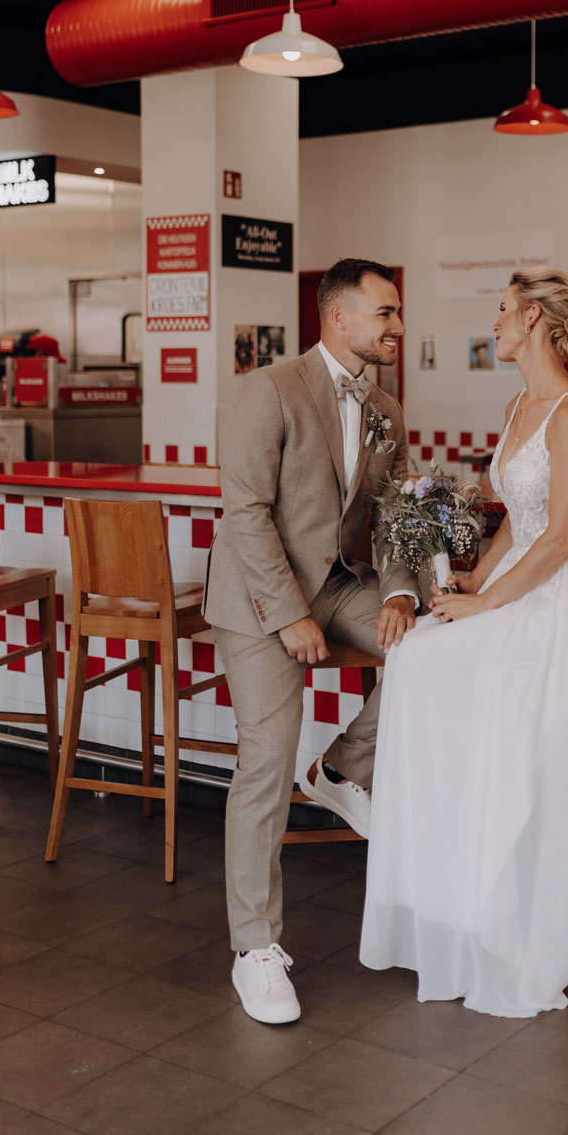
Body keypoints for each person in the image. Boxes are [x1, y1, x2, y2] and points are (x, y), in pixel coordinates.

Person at [360, 269, 568, 1018]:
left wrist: (489, 603)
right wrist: (472, 588)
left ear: (532, 318)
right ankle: (448, 892)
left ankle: (501, 914)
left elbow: (564, 537)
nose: (493, 325)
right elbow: (513, 527)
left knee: (489, 688)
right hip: (522, 584)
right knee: (416, 655)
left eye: (501, 313)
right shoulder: (517, 404)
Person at [205, 259, 419, 1025]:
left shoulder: (387, 406)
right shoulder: (268, 389)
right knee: (266, 755)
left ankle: (340, 767)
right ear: (338, 318)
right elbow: (244, 513)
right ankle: (255, 948)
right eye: (386, 313)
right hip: (258, 594)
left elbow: (396, 515)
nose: (397, 326)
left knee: (432, 654)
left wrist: (397, 587)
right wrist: (288, 613)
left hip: (337, 585)